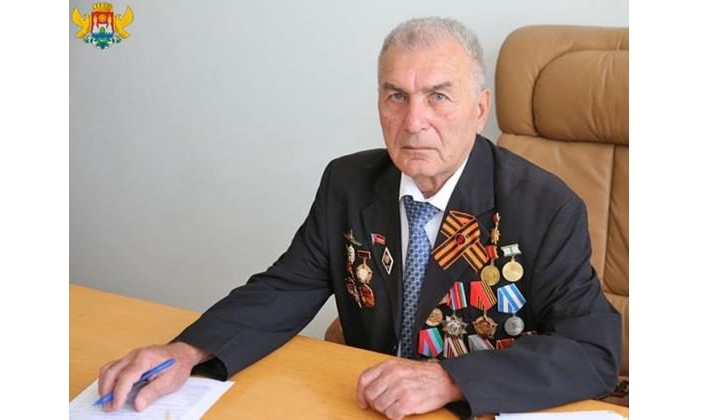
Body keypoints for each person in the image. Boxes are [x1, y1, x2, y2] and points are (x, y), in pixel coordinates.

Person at [96, 17, 621, 418]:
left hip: (476, 406)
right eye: (397, 96)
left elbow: (593, 351)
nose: (414, 121)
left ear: (480, 109)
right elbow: (285, 288)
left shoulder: (545, 207)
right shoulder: (348, 182)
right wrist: (186, 351)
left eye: (439, 96)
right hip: (365, 402)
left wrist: (451, 379)